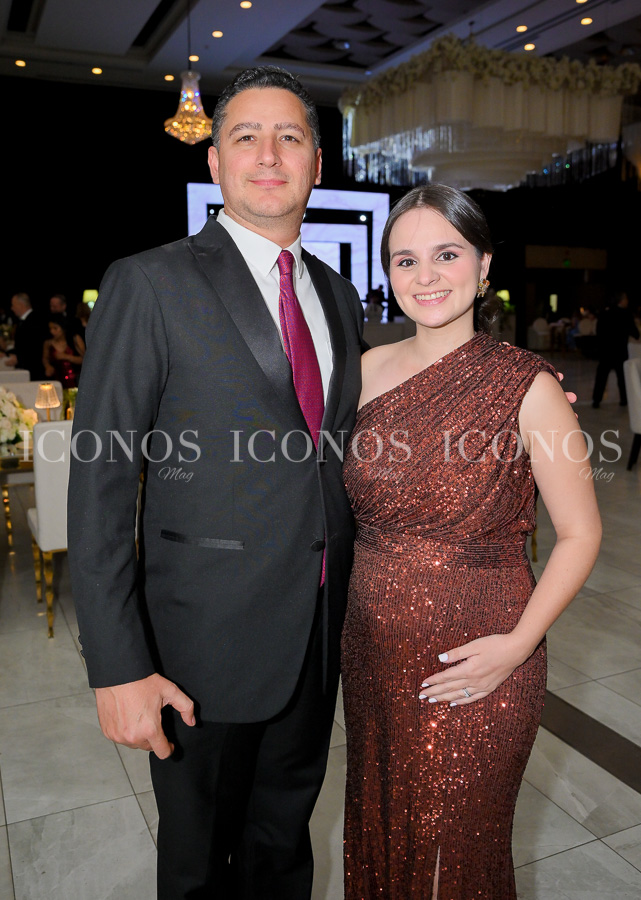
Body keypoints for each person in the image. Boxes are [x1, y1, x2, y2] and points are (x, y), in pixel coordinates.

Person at [67, 66, 366, 899]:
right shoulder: (150, 281)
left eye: (290, 137)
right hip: (201, 646)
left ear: (316, 165)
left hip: (316, 634)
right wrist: (117, 667)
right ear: (214, 162)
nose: (268, 155)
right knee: (198, 865)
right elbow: (99, 483)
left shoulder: (338, 295)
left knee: (283, 848)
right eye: (245, 136)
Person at [341, 185, 601, 899]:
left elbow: (580, 533)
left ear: (484, 267)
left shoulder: (528, 386)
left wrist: (517, 646)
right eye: (405, 260)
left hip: (485, 651)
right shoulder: (361, 372)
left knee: (458, 855)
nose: (425, 276)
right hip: (371, 649)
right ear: (388, 274)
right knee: (383, 828)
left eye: (446, 254)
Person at [592, 290, 639, 407]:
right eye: (626, 298)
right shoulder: (626, 314)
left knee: (601, 377)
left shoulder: (604, 313)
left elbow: (598, 332)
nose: (627, 301)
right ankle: (624, 400)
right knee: (622, 377)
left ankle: (596, 400)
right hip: (620, 351)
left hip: (606, 351)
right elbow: (635, 333)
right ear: (621, 300)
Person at [3, 292, 46, 379]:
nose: (12, 308)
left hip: (34, 370)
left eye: (13, 305)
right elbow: (21, 346)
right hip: (26, 368)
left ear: (21, 305)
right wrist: (7, 354)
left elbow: (36, 347)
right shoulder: (23, 321)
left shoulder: (35, 320)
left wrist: (19, 359)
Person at [42, 313, 83, 387]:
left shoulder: (74, 339)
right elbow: (45, 358)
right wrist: (48, 366)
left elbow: (85, 360)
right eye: (50, 329)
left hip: (76, 381)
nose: (52, 331)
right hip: (57, 382)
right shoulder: (48, 343)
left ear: (63, 327)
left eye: (55, 328)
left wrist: (66, 357)